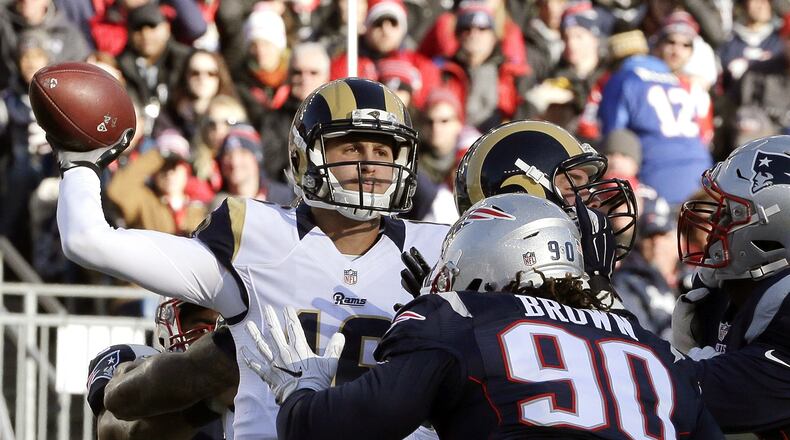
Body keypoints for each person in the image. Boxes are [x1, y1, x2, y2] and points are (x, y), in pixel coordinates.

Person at [52, 78, 448, 439]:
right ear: (303, 156)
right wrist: (80, 163)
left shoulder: (441, 252)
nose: (370, 165)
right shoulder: (256, 235)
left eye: (382, 150)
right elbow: (89, 241)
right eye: (351, 147)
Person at [243, 193, 724, 439]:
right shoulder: (654, 350)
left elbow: (329, 430)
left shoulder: (460, 316)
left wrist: (299, 391)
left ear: (484, 260)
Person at [673, 135, 790, 436]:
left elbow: (690, 393)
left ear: (774, 225)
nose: (714, 227)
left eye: (728, 213)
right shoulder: (727, 293)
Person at [87, 298, 236, 440]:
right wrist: (211, 402)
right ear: (169, 327)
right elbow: (114, 431)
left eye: (223, 329)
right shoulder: (135, 358)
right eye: (201, 329)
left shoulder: (256, 374)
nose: (210, 339)